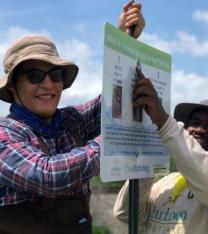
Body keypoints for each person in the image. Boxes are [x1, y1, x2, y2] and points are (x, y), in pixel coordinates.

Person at [0, 2, 144, 233]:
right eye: (35, 75)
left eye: (55, 74)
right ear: (13, 87)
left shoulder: (72, 121)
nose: (48, 84)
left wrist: (125, 41)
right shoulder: (5, 133)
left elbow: (116, 96)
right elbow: (46, 177)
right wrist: (113, 141)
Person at [113, 68, 208, 234]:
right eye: (195, 122)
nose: (199, 129)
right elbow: (126, 214)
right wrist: (149, 153)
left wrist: (164, 123)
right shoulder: (167, 182)